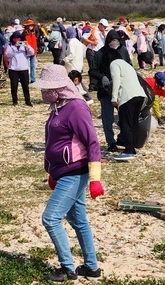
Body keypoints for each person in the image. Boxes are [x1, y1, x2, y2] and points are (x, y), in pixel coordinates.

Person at [34, 64, 104, 282]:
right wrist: (52, 172)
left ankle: (67, 268)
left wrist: (95, 179)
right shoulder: (58, 107)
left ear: (59, 88)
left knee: (51, 218)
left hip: (76, 171)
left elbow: (92, 142)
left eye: (47, 88)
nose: (44, 93)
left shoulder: (76, 107)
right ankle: (91, 267)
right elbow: (54, 141)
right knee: (78, 219)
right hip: (63, 172)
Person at [89, 30, 131, 152]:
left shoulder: (123, 50)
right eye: (112, 41)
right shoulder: (100, 53)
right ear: (108, 41)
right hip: (105, 89)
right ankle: (110, 142)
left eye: (117, 41)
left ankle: (122, 137)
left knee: (124, 115)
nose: (115, 43)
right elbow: (92, 70)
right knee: (108, 118)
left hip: (121, 88)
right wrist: (102, 77)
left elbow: (129, 66)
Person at [109, 59, 147, 161]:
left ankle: (128, 150)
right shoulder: (128, 65)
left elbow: (116, 79)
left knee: (125, 123)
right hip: (140, 95)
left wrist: (114, 97)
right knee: (133, 123)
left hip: (128, 96)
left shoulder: (114, 63)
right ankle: (132, 147)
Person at [4, 33, 34, 106]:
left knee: (25, 86)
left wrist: (27, 47)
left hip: (23, 68)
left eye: (18, 37)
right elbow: (8, 55)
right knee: (14, 86)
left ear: (21, 38)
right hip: (13, 68)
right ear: (12, 38)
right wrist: (14, 48)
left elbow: (32, 52)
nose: (16, 39)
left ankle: (27, 100)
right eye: (14, 38)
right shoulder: (10, 46)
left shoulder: (24, 46)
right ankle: (15, 101)